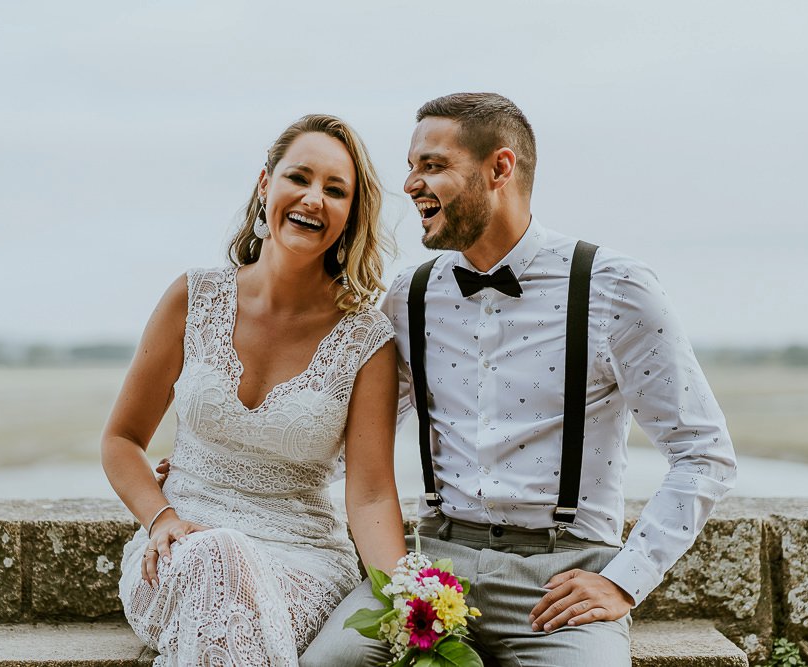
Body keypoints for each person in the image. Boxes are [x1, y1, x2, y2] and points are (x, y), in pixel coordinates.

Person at [301, 93, 738, 666]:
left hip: (562, 581)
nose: (410, 185)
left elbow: (704, 453)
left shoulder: (612, 289)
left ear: (499, 169)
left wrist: (626, 579)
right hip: (433, 564)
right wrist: (230, 461)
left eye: (432, 166)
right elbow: (355, 440)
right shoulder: (411, 295)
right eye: (411, 167)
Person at [101, 114, 407, 666]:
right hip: (176, 555)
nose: (314, 198)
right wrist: (162, 518)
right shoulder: (192, 298)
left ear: (349, 215)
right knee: (214, 554)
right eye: (299, 177)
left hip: (302, 567)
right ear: (265, 184)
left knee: (226, 569)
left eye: (335, 190)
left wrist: (408, 600)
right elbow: (121, 440)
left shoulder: (367, 339)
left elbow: (371, 496)